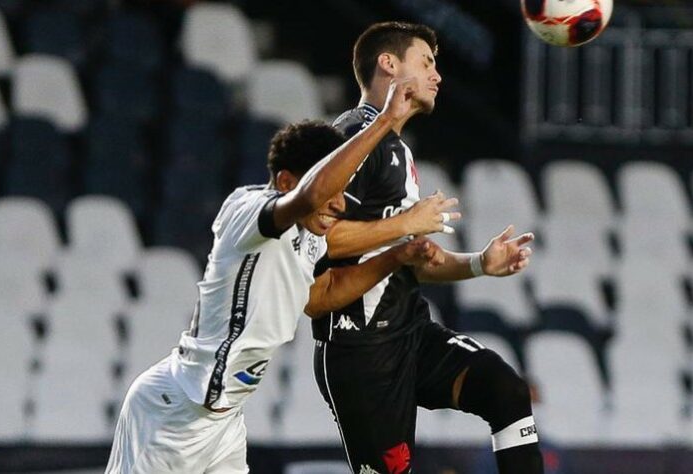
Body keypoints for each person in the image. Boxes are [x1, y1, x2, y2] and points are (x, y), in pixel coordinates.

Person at [105, 79, 446, 474]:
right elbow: (310, 195)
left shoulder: (309, 236)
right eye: (333, 190)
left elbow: (325, 292)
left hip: (223, 422)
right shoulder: (248, 210)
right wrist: (386, 120)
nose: (339, 204)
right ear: (286, 182)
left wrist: (397, 256)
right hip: (175, 413)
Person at [311, 22, 543, 474]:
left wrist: (479, 263)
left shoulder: (400, 151)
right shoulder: (353, 137)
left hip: (410, 333)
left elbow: (407, 262)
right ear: (389, 64)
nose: (438, 76)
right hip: (360, 351)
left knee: (506, 391)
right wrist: (404, 224)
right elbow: (318, 236)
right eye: (427, 62)